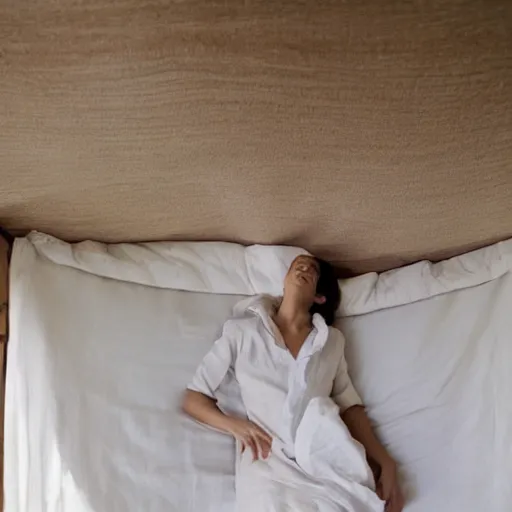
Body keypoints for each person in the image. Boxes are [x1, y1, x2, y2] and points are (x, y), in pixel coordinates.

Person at [182, 255, 404, 512]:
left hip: (323, 460)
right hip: (268, 462)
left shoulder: (331, 341)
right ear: (284, 283)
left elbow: (350, 407)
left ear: (319, 296)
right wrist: (236, 426)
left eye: (313, 270)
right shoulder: (241, 332)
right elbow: (194, 398)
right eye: (297, 264)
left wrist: (386, 462)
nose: (304, 267)